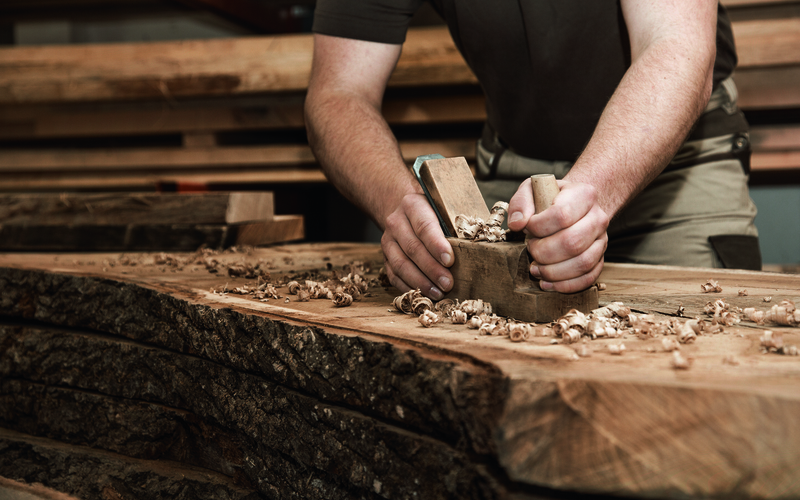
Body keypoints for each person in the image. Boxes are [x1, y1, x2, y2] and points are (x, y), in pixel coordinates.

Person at [304, 0, 761, 301]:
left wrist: (590, 193)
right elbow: (339, 94)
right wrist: (397, 205)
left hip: (676, 165)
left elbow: (677, 46)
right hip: (514, 165)